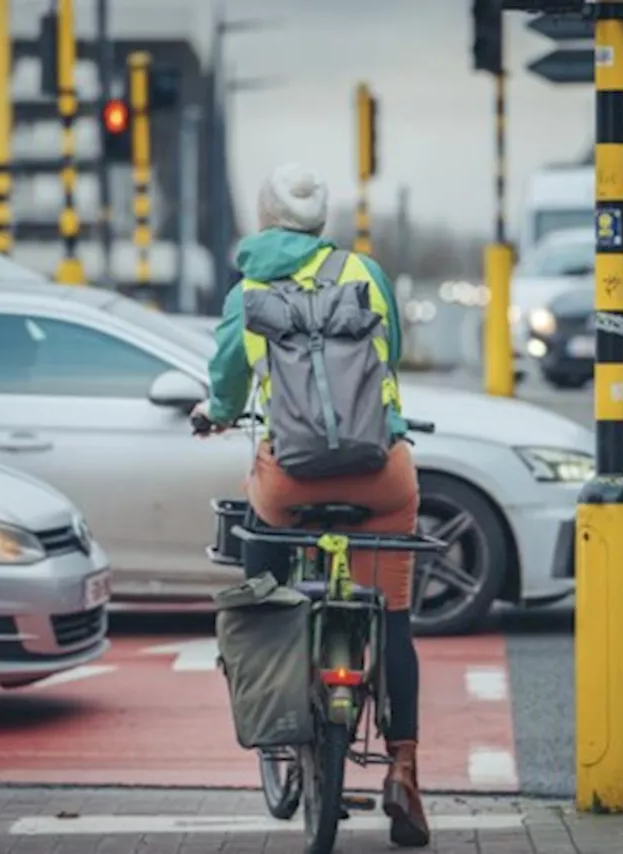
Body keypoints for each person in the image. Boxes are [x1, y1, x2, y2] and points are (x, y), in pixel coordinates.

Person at [192, 163, 429, 848]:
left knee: (263, 578)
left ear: (264, 218)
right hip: (381, 476)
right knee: (395, 616)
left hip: (289, 484)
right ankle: (405, 768)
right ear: (323, 221)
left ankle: (275, 695)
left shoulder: (249, 292)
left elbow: (228, 387)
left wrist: (215, 414)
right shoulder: (367, 276)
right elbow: (393, 361)